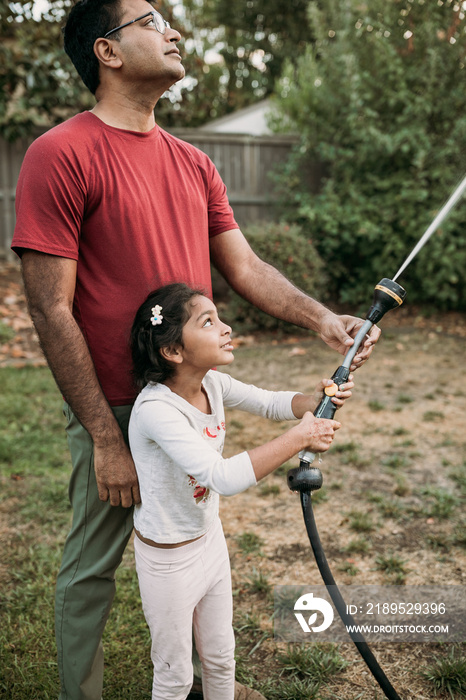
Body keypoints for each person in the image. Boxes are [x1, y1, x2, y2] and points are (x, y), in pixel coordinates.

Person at [11, 1, 380, 698]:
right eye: (151, 19)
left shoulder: (193, 161)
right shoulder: (59, 153)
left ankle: (210, 682)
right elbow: (49, 306)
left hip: (194, 397)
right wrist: (104, 434)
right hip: (117, 402)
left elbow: (244, 268)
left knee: (195, 544)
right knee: (92, 565)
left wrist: (325, 321)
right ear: (108, 52)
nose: (172, 30)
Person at [128, 283, 354, 700]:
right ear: (173, 351)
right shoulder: (156, 410)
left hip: (208, 542)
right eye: (209, 322)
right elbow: (223, 476)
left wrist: (319, 400)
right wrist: (299, 438)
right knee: (175, 674)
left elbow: (272, 402)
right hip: (168, 560)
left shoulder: (212, 384)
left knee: (221, 658)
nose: (226, 327)